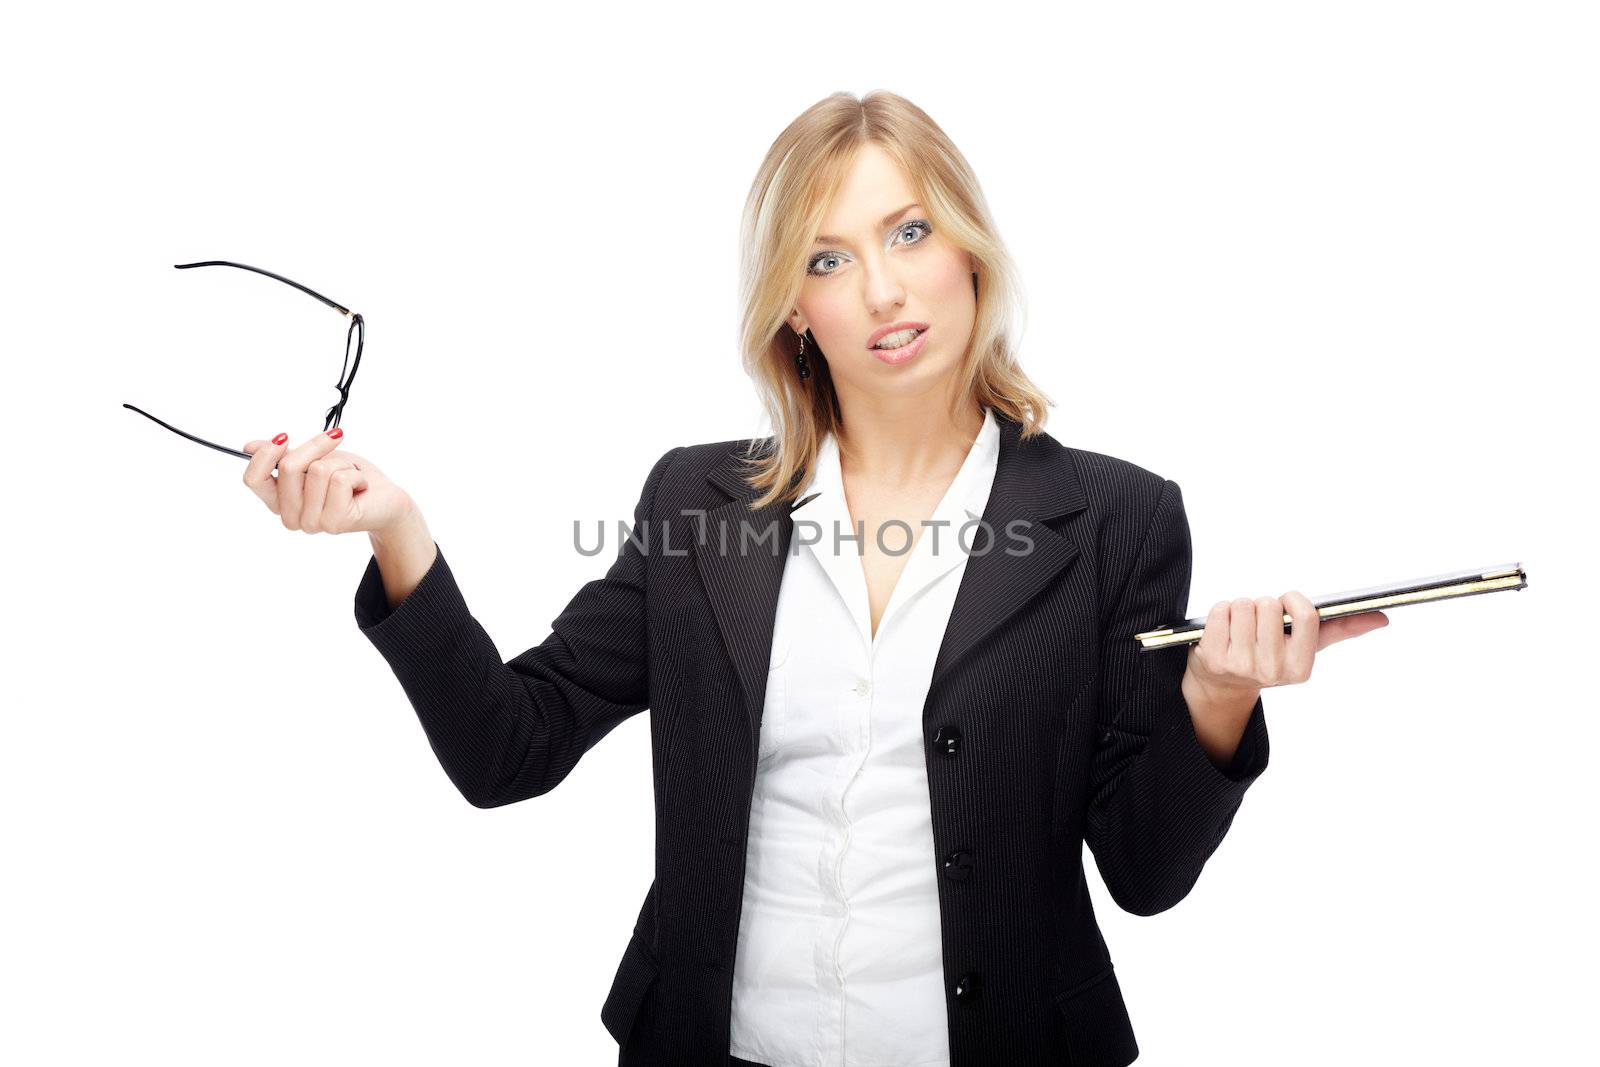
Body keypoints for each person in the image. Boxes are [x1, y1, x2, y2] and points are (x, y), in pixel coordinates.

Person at [240, 91, 1387, 1067]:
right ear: (795, 306)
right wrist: (396, 528)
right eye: (829, 258)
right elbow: (509, 748)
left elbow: (1143, 872)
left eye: (909, 231)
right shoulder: (698, 505)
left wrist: (1216, 702)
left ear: (969, 250)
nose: (884, 290)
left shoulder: (1119, 518)